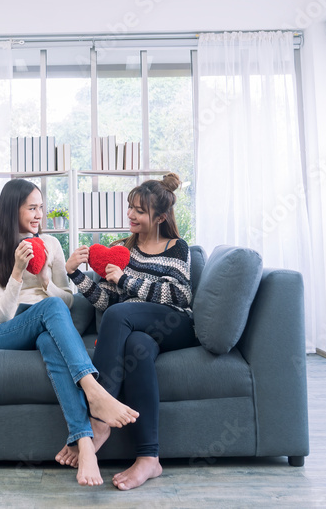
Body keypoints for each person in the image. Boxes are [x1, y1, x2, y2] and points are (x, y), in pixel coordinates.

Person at [0, 179, 139, 487]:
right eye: (32, 208)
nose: (39, 215)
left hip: (47, 323)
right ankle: (94, 393)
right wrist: (16, 272)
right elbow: (1, 313)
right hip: (6, 332)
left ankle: (84, 445)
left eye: (41, 207)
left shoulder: (51, 245)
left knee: (51, 337)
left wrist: (44, 283)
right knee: (51, 309)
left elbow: (67, 297)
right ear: (13, 209)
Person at [62, 172, 196, 490]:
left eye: (139, 210)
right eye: (130, 207)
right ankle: (149, 459)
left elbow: (181, 295)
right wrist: (76, 275)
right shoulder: (124, 249)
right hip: (137, 326)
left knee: (124, 315)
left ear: (161, 216)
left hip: (175, 323)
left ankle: (99, 417)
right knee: (136, 345)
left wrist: (126, 280)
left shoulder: (177, 247)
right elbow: (109, 302)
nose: (131, 215)